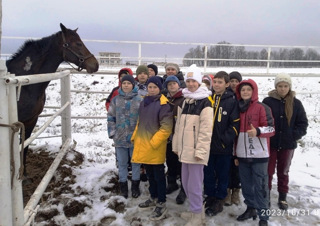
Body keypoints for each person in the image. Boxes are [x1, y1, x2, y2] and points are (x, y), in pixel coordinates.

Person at [172, 64, 213, 225]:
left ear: (199, 82)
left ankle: (196, 216)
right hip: (184, 151)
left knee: (194, 186)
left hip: (196, 153)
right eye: (188, 81)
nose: (190, 84)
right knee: (186, 183)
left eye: (193, 81)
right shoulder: (186, 101)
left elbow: (206, 132)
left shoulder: (205, 103)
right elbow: (178, 127)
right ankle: (197, 211)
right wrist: (176, 146)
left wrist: (201, 151)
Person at [262, 73, 308, 210]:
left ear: (289, 87)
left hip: (288, 145)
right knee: (268, 171)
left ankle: (283, 197)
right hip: (271, 144)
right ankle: (266, 196)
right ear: (276, 87)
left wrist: (294, 135)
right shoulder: (268, 102)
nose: (282, 89)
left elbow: (302, 123)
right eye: (280, 86)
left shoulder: (296, 103)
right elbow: (263, 120)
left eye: (285, 86)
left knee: (283, 171)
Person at [131, 76, 173, 221]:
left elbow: (166, 128)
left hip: (155, 147)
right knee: (150, 175)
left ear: (160, 88)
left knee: (159, 176)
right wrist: (135, 136)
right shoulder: (144, 102)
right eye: (150, 87)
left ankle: (161, 201)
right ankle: (153, 197)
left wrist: (153, 142)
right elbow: (140, 122)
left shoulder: (164, 104)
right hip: (143, 144)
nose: (152, 89)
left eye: (155, 87)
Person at [235, 79, 275, 226]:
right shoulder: (238, 108)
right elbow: (235, 135)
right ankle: (250, 208)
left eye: (248, 90)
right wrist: (235, 154)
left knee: (261, 186)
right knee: (246, 185)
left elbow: (271, 129)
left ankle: (263, 216)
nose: (245, 92)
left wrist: (258, 131)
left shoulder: (262, 107)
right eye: (243, 90)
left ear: (254, 92)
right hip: (242, 154)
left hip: (259, 155)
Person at [203, 71, 240, 217]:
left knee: (222, 174)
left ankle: (220, 198)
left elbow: (235, 123)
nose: (217, 85)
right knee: (208, 173)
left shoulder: (231, 101)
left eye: (220, 82)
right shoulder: (207, 98)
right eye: (215, 82)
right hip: (207, 145)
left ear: (226, 84)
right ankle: (210, 195)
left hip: (223, 147)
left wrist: (225, 139)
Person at [107, 75, 142, 198]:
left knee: (135, 162)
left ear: (133, 85)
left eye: (129, 83)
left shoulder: (139, 100)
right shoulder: (116, 100)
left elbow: (143, 119)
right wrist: (112, 132)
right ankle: (123, 185)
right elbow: (111, 117)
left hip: (135, 138)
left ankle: (135, 186)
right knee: (122, 163)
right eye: (124, 83)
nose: (126, 85)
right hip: (120, 137)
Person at [163, 76, 186, 204]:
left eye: (174, 84)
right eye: (169, 84)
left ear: (178, 85)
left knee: (182, 163)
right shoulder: (165, 99)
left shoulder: (184, 99)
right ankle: (171, 183)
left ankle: (184, 188)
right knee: (170, 161)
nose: (172, 86)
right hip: (168, 136)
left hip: (181, 136)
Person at [225, 71, 243, 206]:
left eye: (237, 81)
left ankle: (236, 189)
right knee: (227, 164)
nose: (234, 83)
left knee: (237, 165)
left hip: (240, 136)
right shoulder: (226, 97)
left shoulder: (242, 97)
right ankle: (226, 189)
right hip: (227, 134)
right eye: (232, 81)